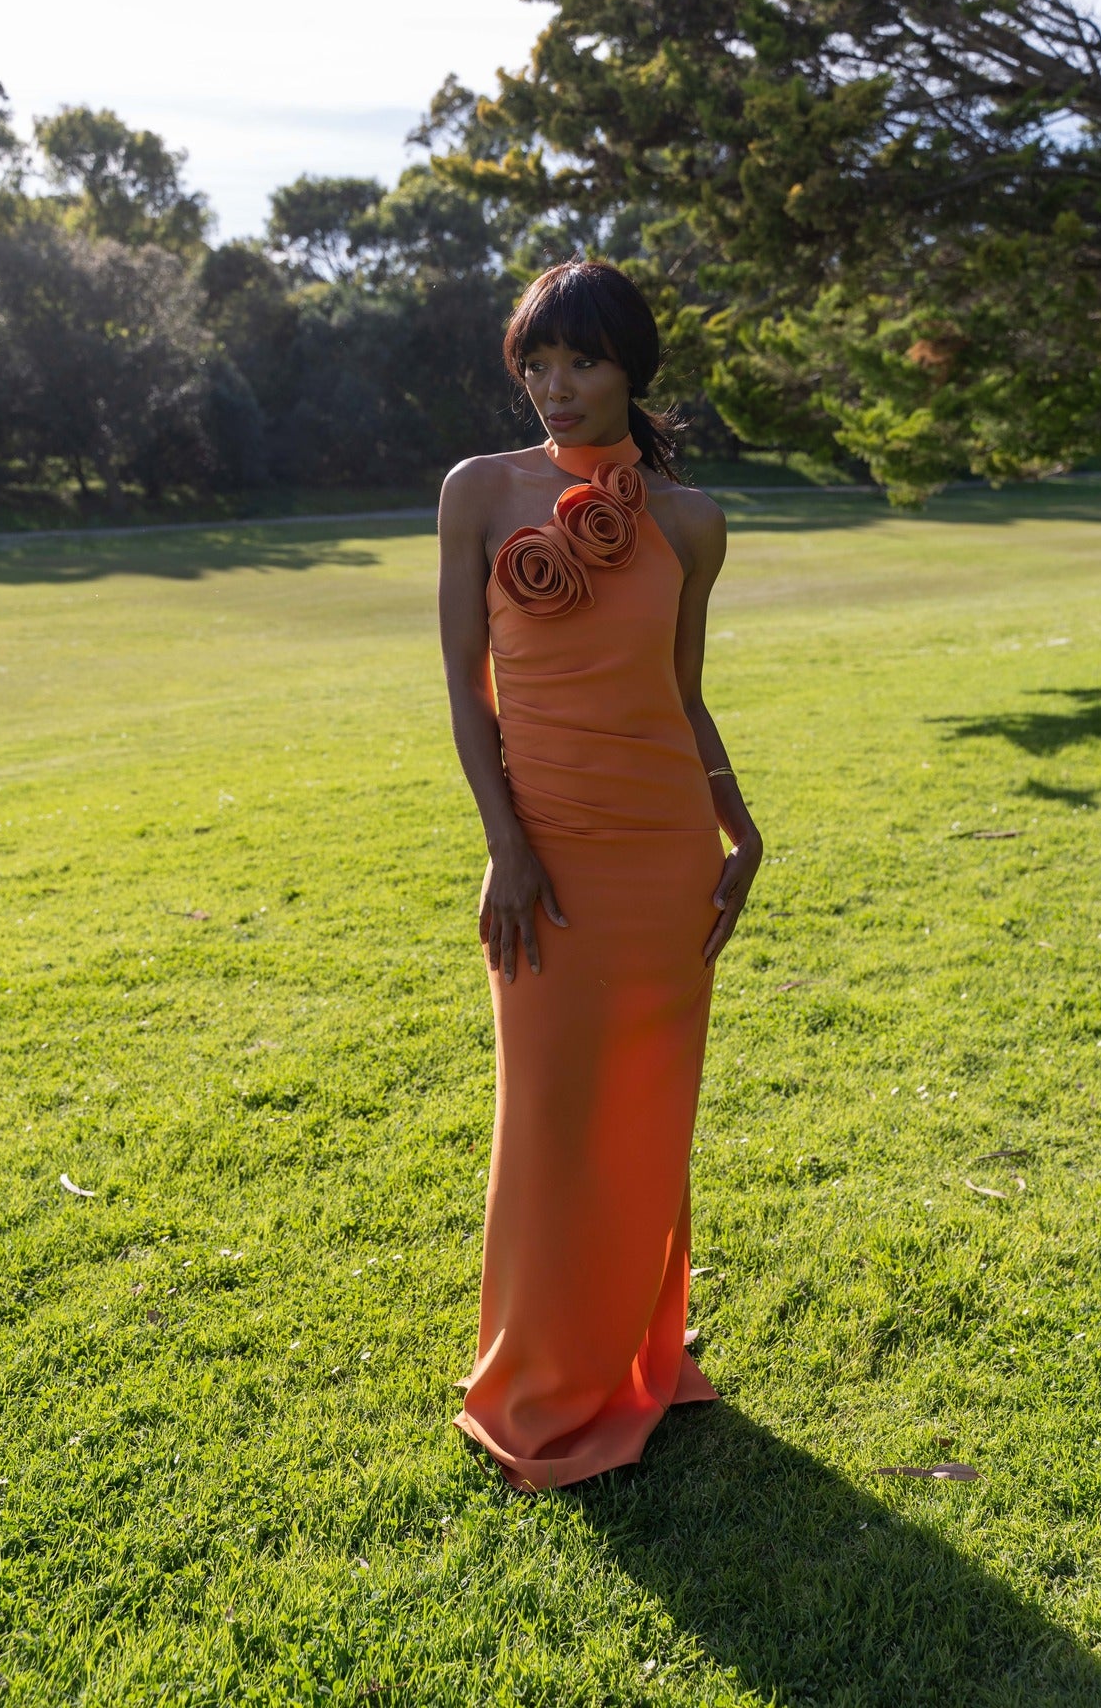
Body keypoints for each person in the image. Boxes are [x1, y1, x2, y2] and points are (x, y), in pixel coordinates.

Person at [437, 259, 762, 1490]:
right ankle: (535, 1386)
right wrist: (506, 847)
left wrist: (741, 824)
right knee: (549, 1120)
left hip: (665, 855)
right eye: (536, 363)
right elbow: (467, 690)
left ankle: (637, 1355)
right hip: (549, 856)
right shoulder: (479, 492)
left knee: (644, 1115)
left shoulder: (691, 521)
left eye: (582, 362)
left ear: (634, 368)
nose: (555, 388)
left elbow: (680, 697)